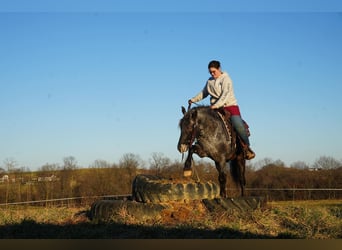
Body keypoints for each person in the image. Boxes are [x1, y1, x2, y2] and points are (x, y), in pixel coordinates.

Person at [188, 60, 255, 160]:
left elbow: (225, 95)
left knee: (238, 125)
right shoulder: (209, 81)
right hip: (215, 108)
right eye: (210, 72)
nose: (212, 73)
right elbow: (204, 93)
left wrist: (216, 105)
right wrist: (193, 99)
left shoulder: (226, 79)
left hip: (230, 107)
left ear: (219, 69)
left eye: (214, 71)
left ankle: (246, 148)